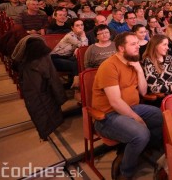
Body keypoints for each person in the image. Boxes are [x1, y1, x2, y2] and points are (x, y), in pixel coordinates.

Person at [92, 32, 163, 180]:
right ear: (121, 48)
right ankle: (126, 171)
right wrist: (136, 118)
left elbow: (143, 92)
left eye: (137, 43)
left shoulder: (133, 63)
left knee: (160, 116)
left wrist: (139, 70)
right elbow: (115, 102)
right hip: (108, 116)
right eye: (133, 44)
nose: (138, 46)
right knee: (141, 133)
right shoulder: (109, 66)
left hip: (130, 108)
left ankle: (138, 149)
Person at [18, 37, 67, 140]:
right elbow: (53, 80)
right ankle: (48, 130)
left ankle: (45, 133)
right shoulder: (43, 59)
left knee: (39, 112)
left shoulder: (23, 59)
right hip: (42, 91)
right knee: (46, 109)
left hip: (31, 93)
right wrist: (61, 97)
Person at [50, 18, 88, 83]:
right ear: (72, 28)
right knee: (75, 65)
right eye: (77, 25)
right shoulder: (70, 36)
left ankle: (73, 83)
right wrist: (83, 36)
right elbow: (83, 47)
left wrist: (77, 49)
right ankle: (76, 83)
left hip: (66, 57)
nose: (80, 27)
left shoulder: (81, 36)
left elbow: (84, 49)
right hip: (55, 58)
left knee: (79, 62)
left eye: (82, 25)